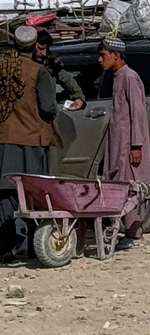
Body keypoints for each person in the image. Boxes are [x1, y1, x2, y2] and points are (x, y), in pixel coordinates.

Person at [0, 27, 57, 260]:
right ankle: (33, 248)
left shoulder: (3, 68)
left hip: (3, 140)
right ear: (35, 46)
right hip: (32, 141)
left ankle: (5, 248)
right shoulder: (39, 72)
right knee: (34, 196)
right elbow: (48, 108)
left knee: (5, 196)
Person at [98, 37, 150, 250]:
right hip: (118, 142)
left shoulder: (130, 77)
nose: (100, 60)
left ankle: (134, 233)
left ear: (116, 55)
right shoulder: (117, 76)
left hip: (129, 144)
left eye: (103, 55)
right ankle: (126, 231)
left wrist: (136, 145)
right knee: (120, 185)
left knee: (131, 187)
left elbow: (138, 114)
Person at [34, 29, 85, 111]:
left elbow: (67, 80)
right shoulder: (20, 66)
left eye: (46, 49)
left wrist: (78, 98)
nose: (43, 53)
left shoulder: (50, 66)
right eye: (40, 48)